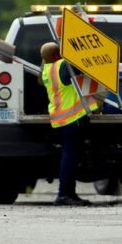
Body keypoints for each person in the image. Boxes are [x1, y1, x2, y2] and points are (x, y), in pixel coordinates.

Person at [40, 42, 93, 206]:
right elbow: (84, 64)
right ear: (58, 55)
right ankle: (64, 194)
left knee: (70, 156)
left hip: (60, 120)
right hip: (72, 119)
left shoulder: (46, 71)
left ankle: (69, 193)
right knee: (70, 157)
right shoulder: (62, 65)